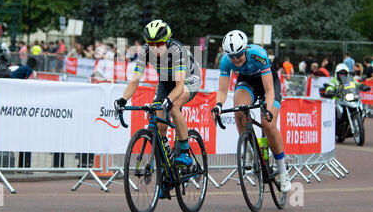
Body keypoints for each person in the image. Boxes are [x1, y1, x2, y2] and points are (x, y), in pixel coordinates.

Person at [114, 20, 202, 198]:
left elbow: (178, 87)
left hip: (188, 80)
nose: (155, 48)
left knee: (174, 106)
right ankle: (167, 176)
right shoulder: (145, 51)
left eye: (159, 44)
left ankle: (185, 151)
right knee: (158, 126)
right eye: (151, 44)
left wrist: (169, 101)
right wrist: (123, 99)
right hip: (165, 81)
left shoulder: (177, 50)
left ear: (167, 41)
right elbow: (135, 80)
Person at [211, 30, 291, 193]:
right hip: (247, 82)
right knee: (239, 109)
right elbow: (222, 90)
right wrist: (218, 105)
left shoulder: (258, 54)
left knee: (268, 125)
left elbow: (269, 91)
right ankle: (248, 149)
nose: (235, 59)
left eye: (239, 55)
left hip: (267, 83)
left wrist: (268, 110)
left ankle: (282, 171)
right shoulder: (226, 61)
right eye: (231, 56)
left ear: (245, 49)